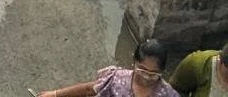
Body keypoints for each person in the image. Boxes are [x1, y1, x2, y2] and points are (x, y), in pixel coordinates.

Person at [37, 39, 178, 97]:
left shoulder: (168, 94)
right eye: (142, 71)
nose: (147, 78)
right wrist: (54, 94)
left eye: (153, 74)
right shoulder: (116, 78)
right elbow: (89, 89)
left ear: (162, 72)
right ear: (134, 62)